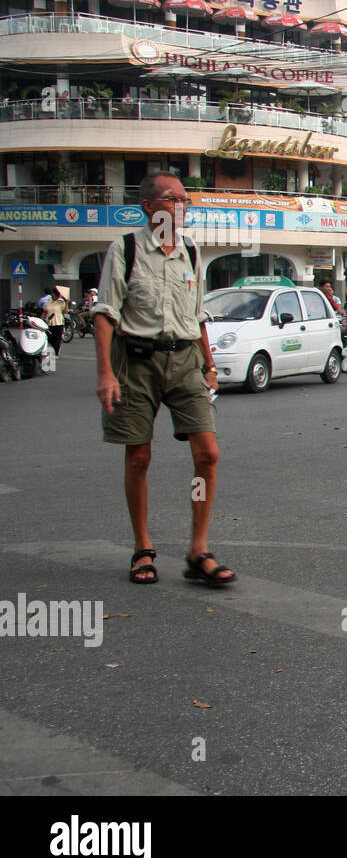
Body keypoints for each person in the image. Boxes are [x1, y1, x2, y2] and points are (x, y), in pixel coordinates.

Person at [92, 172, 233, 587]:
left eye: (186, 200)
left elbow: (197, 314)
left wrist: (208, 365)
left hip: (186, 360)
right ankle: (142, 546)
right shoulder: (126, 248)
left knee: (207, 454)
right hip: (135, 363)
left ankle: (198, 549)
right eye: (174, 200)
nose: (182, 207)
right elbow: (105, 314)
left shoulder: (190, 250)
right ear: (150, 207)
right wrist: (104, 374)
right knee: (139, 456)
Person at [43, 286, 67, 357]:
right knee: (49, 338)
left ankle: (56, 353)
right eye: (52, 294)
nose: (53, 295)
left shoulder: (61, 302)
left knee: (57, 339)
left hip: (58, 323)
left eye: (54, 294)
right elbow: (44, 312)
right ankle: (50, 352)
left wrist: (67, 302)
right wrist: (41, 320)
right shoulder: (48, 302)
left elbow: (65, 311)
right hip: (49, 323)